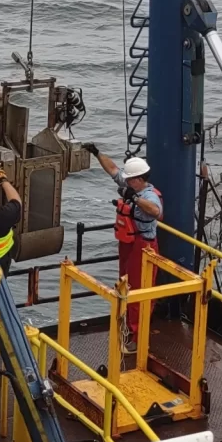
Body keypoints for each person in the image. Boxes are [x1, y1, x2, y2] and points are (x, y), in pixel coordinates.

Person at [83, 144, 163, 345]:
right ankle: (127, 324)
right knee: (125, 284)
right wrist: (97, 152)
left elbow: (156, 212)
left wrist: (135, 199)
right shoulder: (130, 185)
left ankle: (137, 335)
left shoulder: (148, 195)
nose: (125, 180)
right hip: (128, 243)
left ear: (139, 180)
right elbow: (113, 170)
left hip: (144, 247)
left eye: (129, 178)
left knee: (138, 289)